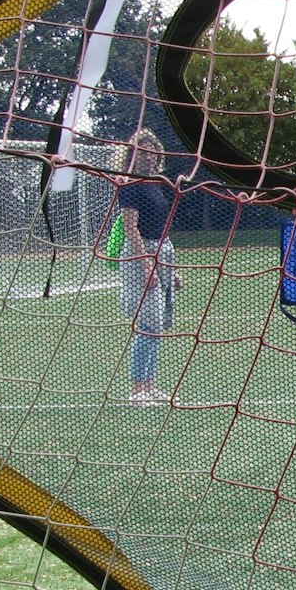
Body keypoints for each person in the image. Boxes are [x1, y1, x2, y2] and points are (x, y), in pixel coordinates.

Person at [113, 128, 183, 405]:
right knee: (147, 324)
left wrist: (171, 268)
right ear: (132, 154)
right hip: (140, 255)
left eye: (152, 152)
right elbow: (131, 229)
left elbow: (162, 229)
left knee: (156, 326)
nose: (148, 156)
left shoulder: (156, 184)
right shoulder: (129, 186)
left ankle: (150, 385)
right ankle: (137, 389)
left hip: (161, 251)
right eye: (142, 151)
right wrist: (147, 266)